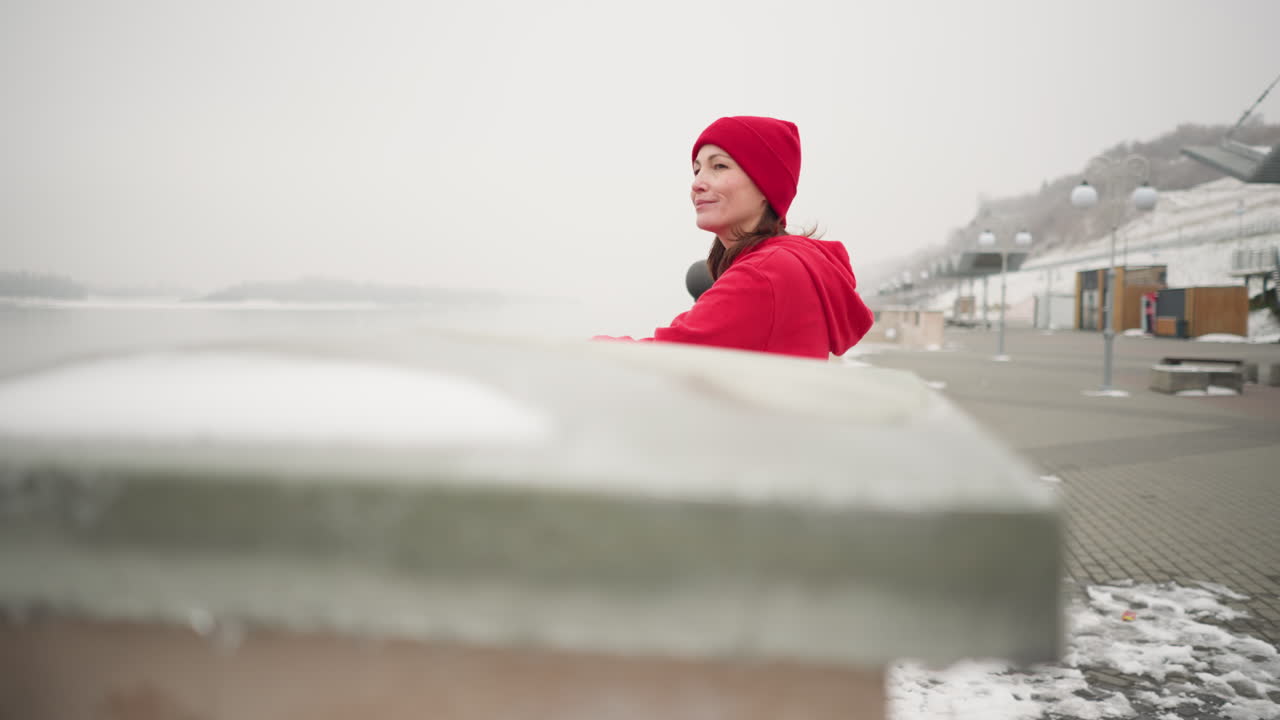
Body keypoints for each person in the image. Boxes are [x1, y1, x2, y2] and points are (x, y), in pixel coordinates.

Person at [596, 115, 873, 360]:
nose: (697, 183)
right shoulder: (786, 263)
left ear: (766, 185)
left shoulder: (765, 273)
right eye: (696, 169)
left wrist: (575, 351)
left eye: (719, 167)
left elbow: (668, 356)